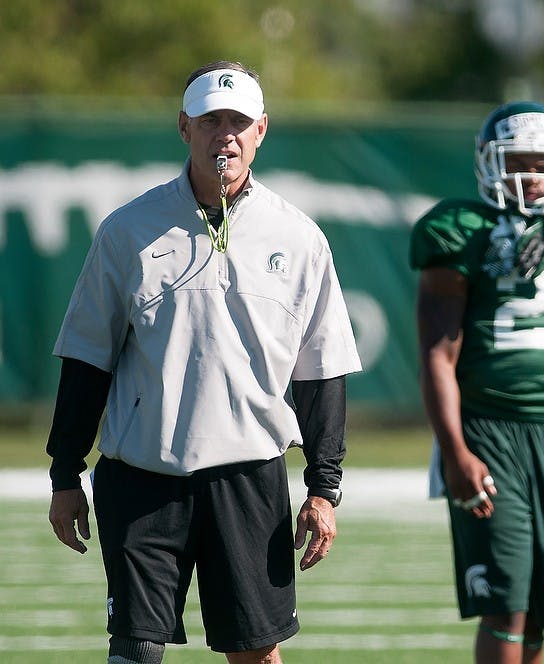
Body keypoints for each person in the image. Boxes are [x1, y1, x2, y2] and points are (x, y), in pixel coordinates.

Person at [45, 60, 361, 664]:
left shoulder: (298, 237)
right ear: (183, 126)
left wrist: (324, 489)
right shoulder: (127, 230)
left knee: (256, 656)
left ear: (262, 130)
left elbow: (320, 371)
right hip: (141, 477)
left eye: (239, 121)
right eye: (211, 120)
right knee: (134, 653)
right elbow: (86, 360)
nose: (226, 135)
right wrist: (66, 473)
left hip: (248, 478)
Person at [410, 100, 544, 664]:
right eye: (518, 162)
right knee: (505, 601)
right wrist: (455, 450)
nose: (532, 176)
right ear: (489, 164)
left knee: (543, 605)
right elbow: (438, 352)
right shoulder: (459, 229)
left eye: (543, 163)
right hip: (488, 429)